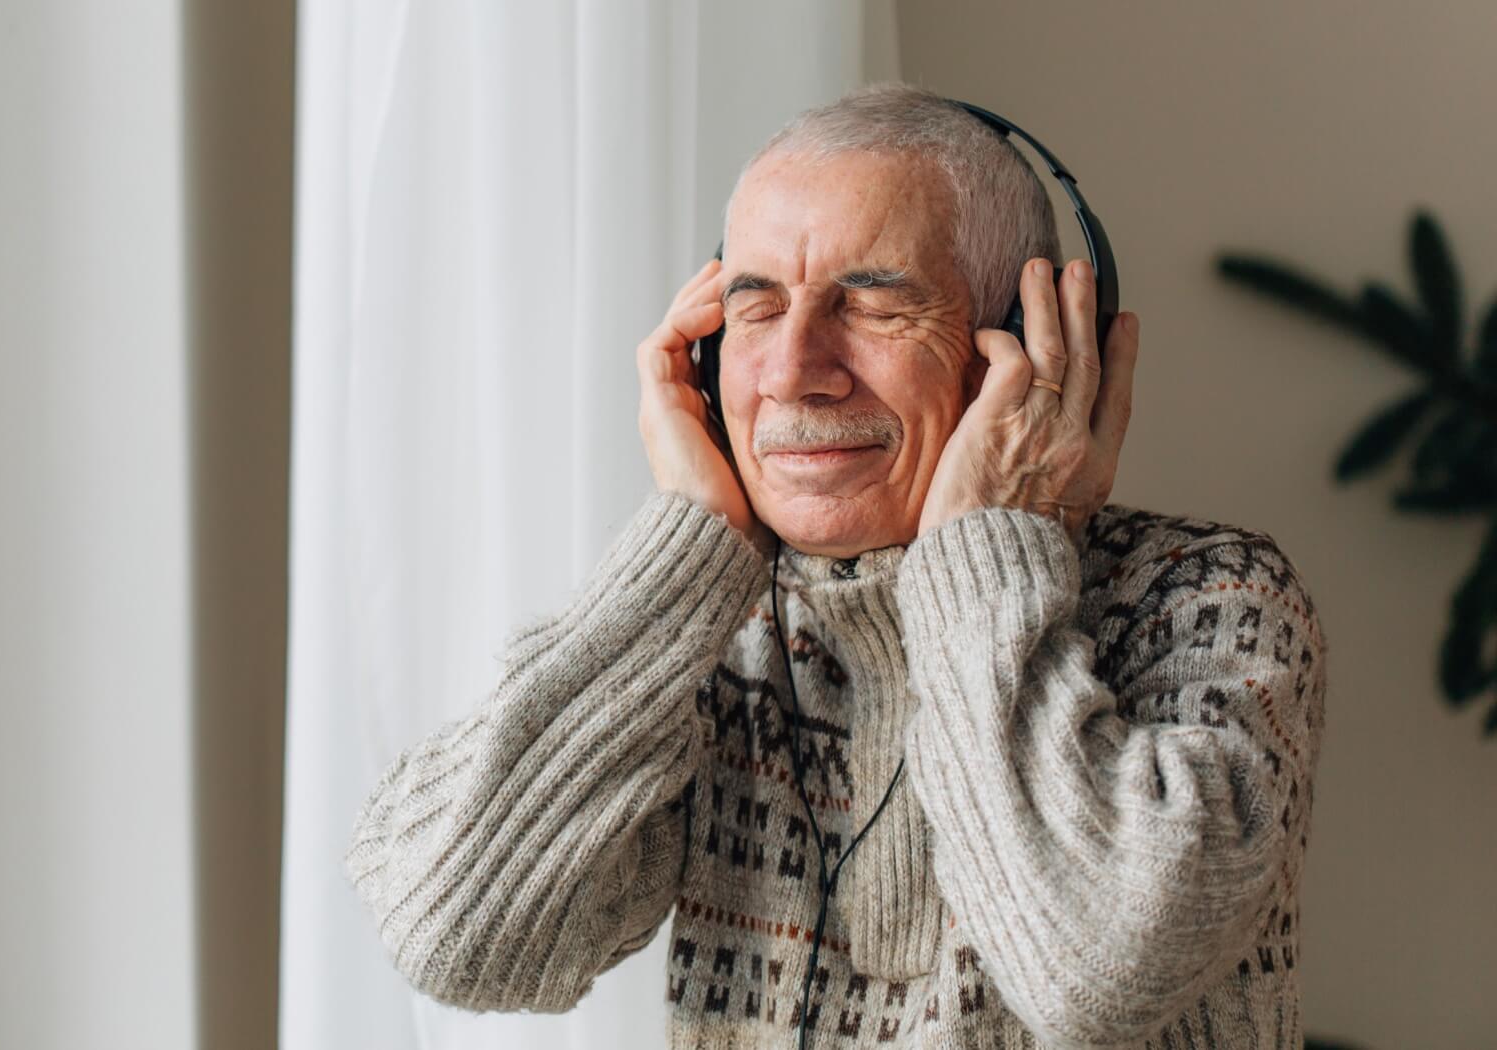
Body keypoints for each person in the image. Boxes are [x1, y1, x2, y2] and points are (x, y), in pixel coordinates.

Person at [344, 82, 1327, 1049]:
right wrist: (688, 546)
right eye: (756, 309)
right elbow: (458, 938)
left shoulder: (1205, 597)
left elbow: (1096, 974)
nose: (791, 372)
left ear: (1036, 349)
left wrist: (981, 551)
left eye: (873, 304)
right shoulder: (710, 631)